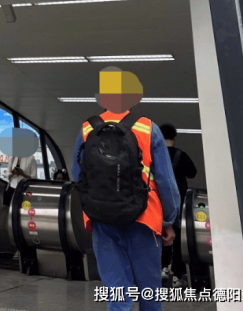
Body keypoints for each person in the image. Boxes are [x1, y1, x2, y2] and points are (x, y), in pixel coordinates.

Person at [72, 67, 180, 310]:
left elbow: (78, 176)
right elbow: (165, 181)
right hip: (143, 219)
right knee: (149, 294)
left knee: (118, 294)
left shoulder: (87, 129)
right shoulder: (148, 128)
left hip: (102, 220)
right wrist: (168, 221)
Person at [159, 123, 198, 287]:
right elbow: (192, 173)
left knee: (160, 235)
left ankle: (162, 268)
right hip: (178, 202)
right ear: (174, 138)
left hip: (158, 204)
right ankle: (177, 275)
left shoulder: (155, 156)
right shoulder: (181, 155)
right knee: (177, 238)